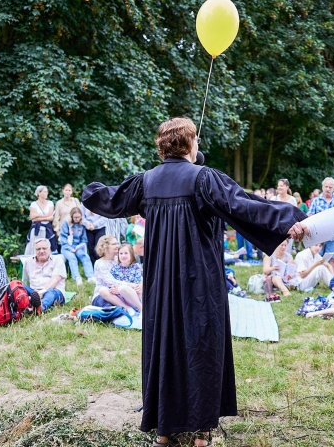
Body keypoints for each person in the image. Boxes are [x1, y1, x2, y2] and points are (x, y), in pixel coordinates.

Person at [82, 117, 308, 446]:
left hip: (160, 284)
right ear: (189, 144)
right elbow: (244, 205)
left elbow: (110, 199)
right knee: (201, 345)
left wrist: (91, 191)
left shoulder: (147, 181)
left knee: (165, 343)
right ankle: (202, 432)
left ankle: (165, 429)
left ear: (163, 147)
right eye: (196, 141)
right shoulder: (204, 178)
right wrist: (291, 218)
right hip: (199, 281)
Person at [308, 177, 334, 272]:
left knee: (333, 258)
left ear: (333, 188)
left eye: (330, 187)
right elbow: (310, 214)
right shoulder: (315, 200)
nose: (328, 189)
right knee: (316, 257)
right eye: (326, 186)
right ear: (322, 187)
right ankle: (315, 278)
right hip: (318, 233)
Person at [92, 236, 142, 314]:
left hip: (121, 291)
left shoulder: (119, 259)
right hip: (106, 294)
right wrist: (132, 285)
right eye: (114, 244)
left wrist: (139, 285)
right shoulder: (99, 263)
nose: (117, 246)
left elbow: (135, 272)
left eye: (117, 243)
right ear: (105, 247)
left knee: (129, 292)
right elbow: (110, 282)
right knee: (106, 299)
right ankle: (127, 308)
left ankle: (135, 308)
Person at [22, 238, 66, 313]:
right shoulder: (28, 262)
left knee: (50, 293)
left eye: (44, 248)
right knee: (18, 285)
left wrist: (42, 292)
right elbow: (25, 281)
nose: (41, 251)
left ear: (49, 249)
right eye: (38, 249)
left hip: (53, 291)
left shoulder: (58, 260)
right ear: (35, 250)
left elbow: (54, 281)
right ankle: (24, 305)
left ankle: (40, 308)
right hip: (35, 292)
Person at [59, 207, 95, 286]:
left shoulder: (81, 224)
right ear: (71, 216)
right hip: (67, 247)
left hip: (78, 246)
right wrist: (70, 248)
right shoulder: (66, 223)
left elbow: (84, 239)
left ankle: (90, 276)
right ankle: (77, 278)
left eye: (79, 217)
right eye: (75, 217)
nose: (77, 219)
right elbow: (63, 239)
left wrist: (79, 247)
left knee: (85, 256)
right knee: (72, 258)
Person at [25, 185, 57, 255]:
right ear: (39, 193)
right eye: (45, 192)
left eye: (47, 192)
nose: (47, 193)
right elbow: (32, 218)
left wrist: (37, 216)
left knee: (48, 247)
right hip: (36, 229)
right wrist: (46, 217)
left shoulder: (50, 203)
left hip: (47, 229)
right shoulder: (33, 204)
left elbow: (51, 217)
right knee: (35, 248)